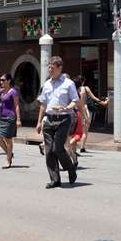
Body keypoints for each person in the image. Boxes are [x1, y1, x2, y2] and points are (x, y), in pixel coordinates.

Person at [36, 56, 78, 189]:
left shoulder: (69, 83)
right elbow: (43, 104)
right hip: (49, 119)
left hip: (64, 119)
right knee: (49, 151)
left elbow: (75, 101)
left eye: (52, 68)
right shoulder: (47, 84)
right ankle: (55, 180)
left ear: (60, 68)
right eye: (49, 67)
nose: (50, 70)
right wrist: (38, 122)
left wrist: (66, 107)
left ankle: (70, 167)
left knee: (57, 148)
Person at [74, 75, 108, 154]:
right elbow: (94, 98)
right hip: (85, 109)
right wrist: (103, 102)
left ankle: (74, 148)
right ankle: (82, 147)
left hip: (76, 109)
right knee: (85, 130)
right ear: (83, 82)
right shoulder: (85, 88)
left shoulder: (73, 89)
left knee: (75, 130)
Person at [0, 73, 21, 168]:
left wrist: (18, 119)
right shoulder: (1, 92)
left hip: (10, 118)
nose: (0, 82)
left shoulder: (13, 92)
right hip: (1, 118)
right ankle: (9, 154)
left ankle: (8, 160)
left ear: (8, 81)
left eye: (3, 80)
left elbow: (17, 105)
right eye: (0, 80)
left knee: (8, 140)